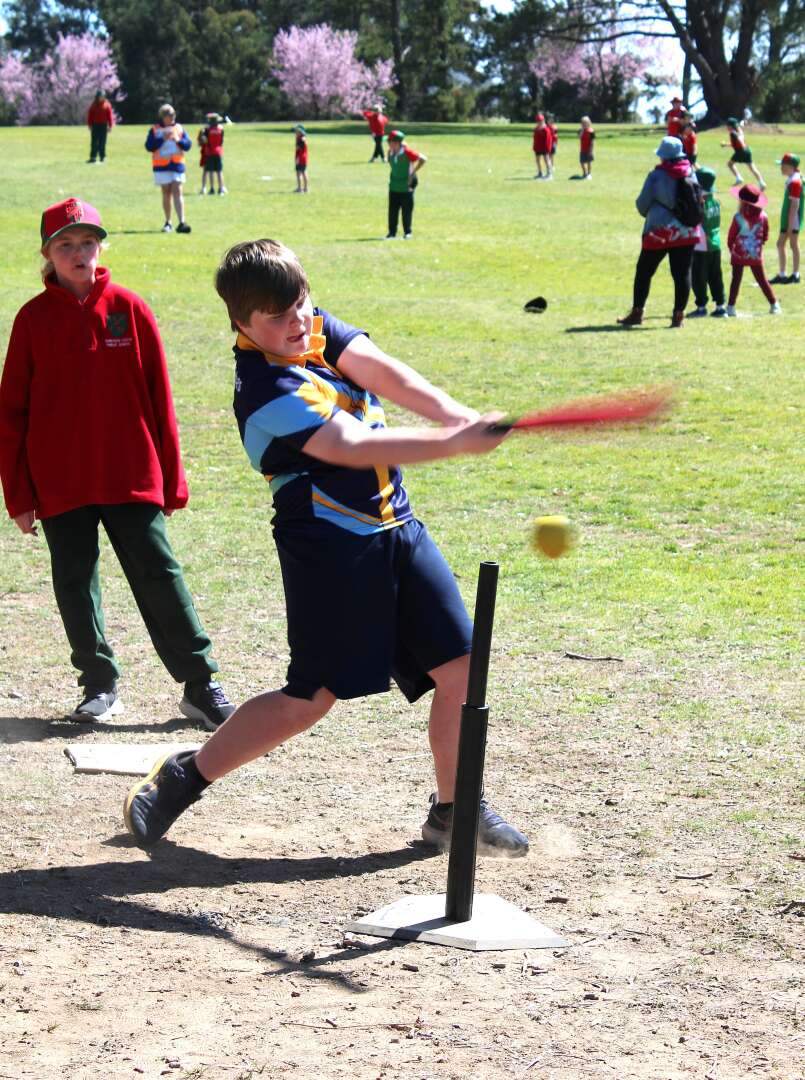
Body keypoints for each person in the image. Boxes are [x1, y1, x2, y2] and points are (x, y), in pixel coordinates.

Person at [123, 238, 530, 857]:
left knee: (462, 669)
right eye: (276, 317)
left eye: (301, 304)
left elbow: (381, 369)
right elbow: (352, 447)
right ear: (241, 322)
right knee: (309, 700)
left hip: (397, 528)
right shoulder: (264, 387)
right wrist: (454, 443)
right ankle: (186, 776)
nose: (296, 322)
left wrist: (456, 414)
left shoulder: (309, 326)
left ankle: (455, 808)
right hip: (328, 548)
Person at [0, 198, 236, 727]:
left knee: (159, 573)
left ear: (100, 247)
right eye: (65, 244)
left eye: (87, 242)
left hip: (130, 472)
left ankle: (200, 683)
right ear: (47, 254)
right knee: (74, 581)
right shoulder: (32, 320)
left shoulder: (129, 308)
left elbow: (160, 399)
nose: (78, 253)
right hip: (60, 479)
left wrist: (172, 480)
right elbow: (11, 411)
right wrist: (19, 495)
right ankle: (99, 683)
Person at [618, 136, 699, 329]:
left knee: (644, 272)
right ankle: (678, 317)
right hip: (687, 231)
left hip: (659, 232)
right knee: (682, 274)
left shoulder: (656, 176)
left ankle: (637, 313)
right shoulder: (691, 172)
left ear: (663, 156)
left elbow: (642, 205)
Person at [725, 184, 781, 316]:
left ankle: (731, 307)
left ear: (742, 201)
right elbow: (765, 235)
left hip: (738, 253)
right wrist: (759, 244)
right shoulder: (764, 216)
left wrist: (731, 248)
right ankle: (774, 304)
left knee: (736, 280)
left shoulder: (738, 217)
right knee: (762, 280)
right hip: (756, 254)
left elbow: (731, 236)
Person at [146, 104, 192, 233]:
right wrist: (162, 139)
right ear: (163, 117)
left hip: (177, 165)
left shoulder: (179, 128)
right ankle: (168, 222)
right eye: (170, 115)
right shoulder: (155, 129)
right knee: (166, 193)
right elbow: (149, 146)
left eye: (173, 114)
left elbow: (188, 145)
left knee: (178, 190)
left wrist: (178, 140)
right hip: (161, 166)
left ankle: (182, 222)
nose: (172, 117)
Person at [690, 167, 726, 317]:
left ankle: (701, 307)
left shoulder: (700, 203)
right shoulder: (716, 202)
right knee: (715, 276)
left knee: (699, 277)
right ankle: (720, 306)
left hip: (701, 245)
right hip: (716, 244)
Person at [385, 129, 426, 239]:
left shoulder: (408, 153)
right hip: (393, 186)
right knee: (392, 211)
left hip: (406, 187)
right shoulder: (390, 152)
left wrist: (413, 173)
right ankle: (391, 233)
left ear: (396, 142)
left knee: (406, 211)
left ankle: (408, 232)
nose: (388, 144)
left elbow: (423, 159)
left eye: (389, 141)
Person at [771, 152, 802, 285]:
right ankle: (789, 274)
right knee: (786, 244)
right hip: (790, 219)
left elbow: (795, 204)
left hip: (792, 220)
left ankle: (791, 275)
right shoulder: (794, 178)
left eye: (783, 165)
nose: (781, 168)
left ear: (790, 166)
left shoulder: (795, 182)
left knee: (786, 244)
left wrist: (790, 225)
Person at [721, 117, 765, 189]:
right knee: (752, 168)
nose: (726, 127)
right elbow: (735, 144)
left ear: (730, 126)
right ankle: (762, 183)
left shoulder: (732, 133)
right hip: (747, 150)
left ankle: (739, 178)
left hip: (740, 151)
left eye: (727, 125)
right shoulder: (739, 131)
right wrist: (726, 145)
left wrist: (740, 143)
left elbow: (739, 142)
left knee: (730, 164)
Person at [197, 113, 226, 196]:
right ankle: (221, 189)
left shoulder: (207, 130)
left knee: (210, 171)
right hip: (218, 152)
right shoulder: (221, 129)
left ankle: (212, 189)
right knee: (219, 171)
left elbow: (204, 141)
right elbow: (221, 141)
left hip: (210, 152)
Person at [86, 90, 114, 164]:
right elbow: (90, 115)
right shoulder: (93, 105)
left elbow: (110, 116)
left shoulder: (107, 105)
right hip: (95, 125)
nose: (102, 98)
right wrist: (89, 125)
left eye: (103, 96)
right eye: (100, 96)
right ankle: (93, 157)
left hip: (103, 126)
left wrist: (110, 126)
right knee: (94, 142)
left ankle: (103, 157)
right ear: (97, 97)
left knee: (102, 142)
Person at [532, 114, 553, 180]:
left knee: (546, 160)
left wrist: (548, 149)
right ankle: (540, 173)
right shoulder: (536, 129)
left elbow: (549, 140)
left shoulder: (546, 129)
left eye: (540, 121)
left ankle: (549, 174)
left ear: (543, 120)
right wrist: (534, 147)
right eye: (538, 121)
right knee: (537, 160)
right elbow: (535, 139)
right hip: (538, 147)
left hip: (545, 148)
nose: (539, 122)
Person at [293, 124, 308, 193]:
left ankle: (300, 189)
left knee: (299, 173)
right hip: (304, 158)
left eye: (296, 131)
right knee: (304, 172)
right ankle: (305, 188)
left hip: (300, 158)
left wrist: (297, 159)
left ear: (300, 132)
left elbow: (298, 148)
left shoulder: (301, 139)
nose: (295, 133)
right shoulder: (302, 138)